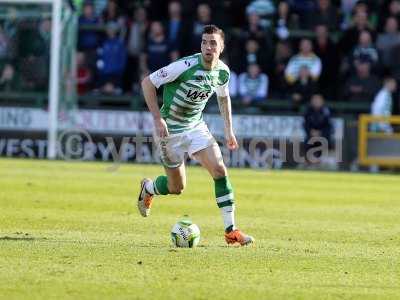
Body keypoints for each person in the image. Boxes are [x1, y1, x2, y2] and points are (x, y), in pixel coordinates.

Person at [138, 25, 254, 246]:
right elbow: (148, 83)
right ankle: (149, 188)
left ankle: (231, 232)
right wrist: (156, 118)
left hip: (195, 127)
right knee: (176, 188)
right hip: (170, 130)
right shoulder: (185, 65)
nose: (207, 47)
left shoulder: (223, 72)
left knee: (220, 170)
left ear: (221, 47)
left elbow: (223, 97)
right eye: (204, 42)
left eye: (213, 43)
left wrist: (229, 129)